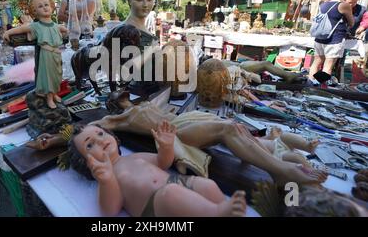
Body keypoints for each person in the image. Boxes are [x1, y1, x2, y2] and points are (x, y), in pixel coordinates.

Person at [29, 90, 327, 185]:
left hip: (182, 119)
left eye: (122, 95)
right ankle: (281, 172)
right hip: (176, 132)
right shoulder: (116, 119)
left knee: (232, 127)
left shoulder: (143, 105)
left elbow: (166, 97)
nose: (122, 97)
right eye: (117, 96)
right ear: (112, 102)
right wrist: (53, 140)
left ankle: (279, 156)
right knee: (226, 130)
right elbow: (81, 133)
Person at [68, 122, 247, 217]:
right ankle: (216, 213)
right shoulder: (107, 179)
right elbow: (109, 210)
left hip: (176, 183)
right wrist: (106, 180)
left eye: (100, 133)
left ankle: (222, 209)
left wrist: (167, 147)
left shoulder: (134, 156)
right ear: (86, 163)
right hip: (156, 206)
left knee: (207, 185)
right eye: (90, 144)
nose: (100, 140)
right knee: (171, 194)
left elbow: (162, 163)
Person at [3, 0, 69, 109]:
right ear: (34, 11)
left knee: (56, 76)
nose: (44, 8)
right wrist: (9, 32)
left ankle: (54, 94)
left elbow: (58, 28)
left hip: (56, 55)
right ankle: (48, 98)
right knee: (47, 77)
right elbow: (22, 28)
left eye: (46, 4)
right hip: (46, 55)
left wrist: (64, 29)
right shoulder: (36, 26)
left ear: (51, 6)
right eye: (40, 6)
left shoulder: (54, 25)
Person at [308, 0, 354, 84]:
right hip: (334, 38)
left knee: (316, 63)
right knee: (327, 66)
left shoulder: (324, 3)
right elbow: (351, 23)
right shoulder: (343, 5)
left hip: (320, 37)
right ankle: (319, 87)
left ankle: (310, 83)